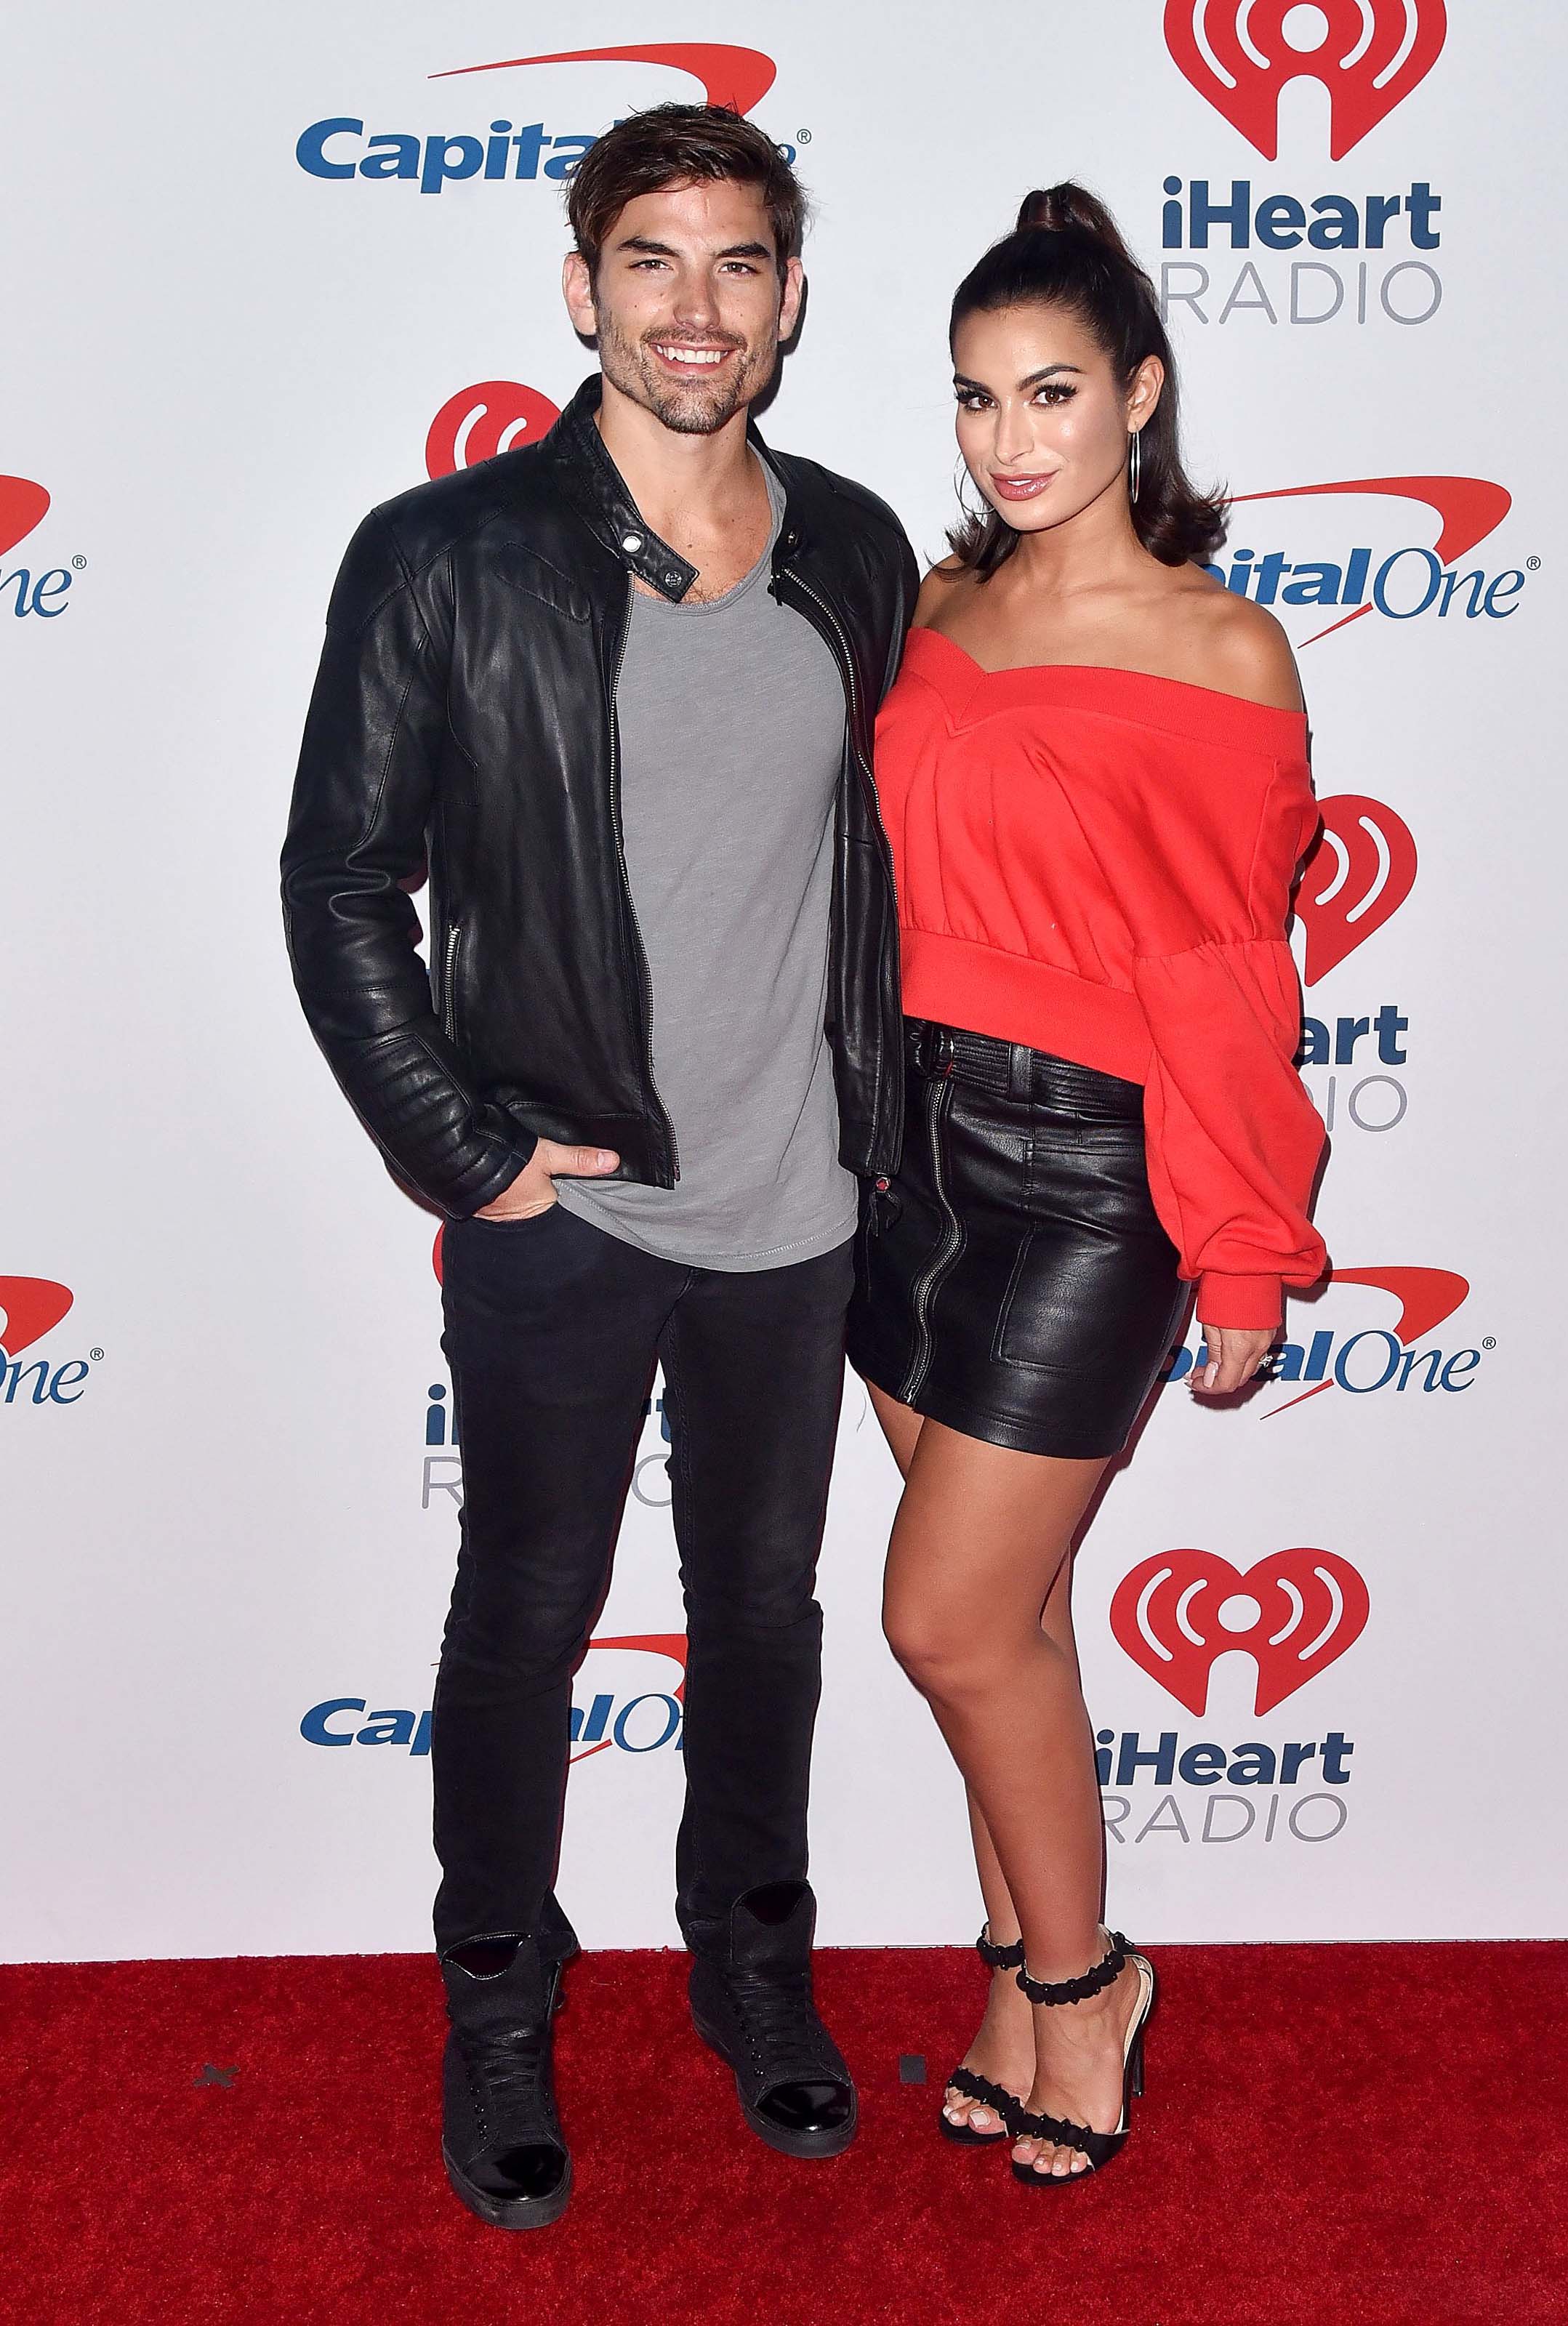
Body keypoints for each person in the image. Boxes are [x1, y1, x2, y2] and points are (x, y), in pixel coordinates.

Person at [281, 103, 916, 2229]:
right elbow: (344, 880)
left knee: (762, 1613)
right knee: (526, 1611)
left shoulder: (853, 549)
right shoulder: (442, 553)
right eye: (653, 259)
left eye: (739, 263)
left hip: (798, 1210)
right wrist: (469, 1153)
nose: (696, 306)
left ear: (792, 296)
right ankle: (494, 1994)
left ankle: (751, 1963)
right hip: (565, 1214)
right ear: (583, 288)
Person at [848, 184, 1327, 2186]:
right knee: (1019, 1614)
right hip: (898, 1150)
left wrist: (1237, 1243)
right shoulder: (929, 613)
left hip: (1087, 1177)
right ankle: (1010, 1976)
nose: (1011, 437)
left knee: (944, 1622)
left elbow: (1227, 975)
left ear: (1141, 392)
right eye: (974, 399)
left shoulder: (1224, 647)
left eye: (1052, 391)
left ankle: (1084, 1987)